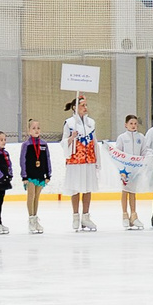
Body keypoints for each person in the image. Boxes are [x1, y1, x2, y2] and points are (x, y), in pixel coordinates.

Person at [61, 96, 100, 231]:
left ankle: (86, 216)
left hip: (88, 159)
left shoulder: (91, 123)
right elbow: (63, 142)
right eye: (83, 105)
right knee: (75, 188)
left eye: (86, 105)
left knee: (88, 188)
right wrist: (71, 138)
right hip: (75, 160)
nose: (85, 108)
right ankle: (76, 215)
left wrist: (97, 160)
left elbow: (94, 142)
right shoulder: (69, 123)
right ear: (75, 107)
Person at [111, 114, 147, 230]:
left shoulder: (141, 137)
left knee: (133, 191)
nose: (133, 126)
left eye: (135, 123)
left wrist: (142, 164)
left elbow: (144, 152)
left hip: (136, 169)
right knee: (125, 191)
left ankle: (134, 215)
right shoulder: (122, 137)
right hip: (124, 170)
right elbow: (118, 153)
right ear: (126, 125)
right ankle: (124, 215)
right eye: (131, 123)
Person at [18, 120, 53, 233]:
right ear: (29, 131)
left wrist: (48, 174)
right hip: (30, 174)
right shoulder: (26, 145)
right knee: (31, 195)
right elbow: (22, 160)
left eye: (38, 127)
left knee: (37, 196)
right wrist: (24, 176)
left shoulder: (44, 144)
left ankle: (35, 217)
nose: (36, 130)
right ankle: (31, 219)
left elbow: (47, 159)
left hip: (40, 174)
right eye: (33, 128)